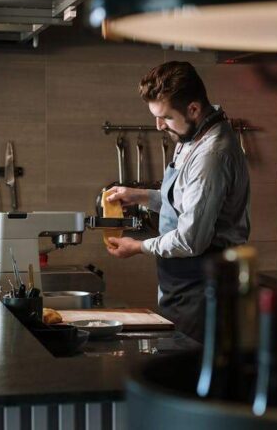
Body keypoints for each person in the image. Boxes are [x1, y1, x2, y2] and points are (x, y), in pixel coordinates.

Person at [104, 61, 250, 342]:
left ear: (194, 109)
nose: (159, 126)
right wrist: (141, 196)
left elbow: (190, 240)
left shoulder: (212, 156)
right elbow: (184, 202)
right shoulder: (192, 134)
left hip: (203, 285)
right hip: (183, 282)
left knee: (190, 372)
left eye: (166, 117)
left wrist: (138, 247)